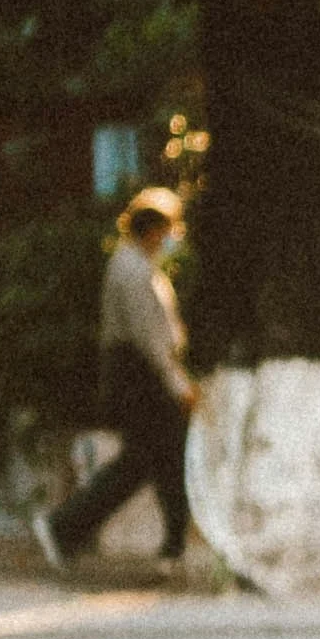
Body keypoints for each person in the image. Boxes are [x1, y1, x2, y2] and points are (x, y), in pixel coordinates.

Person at [39, 188, 198, 571]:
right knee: (154, 458)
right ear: (153, 229)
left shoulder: (133, 266)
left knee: (158, 459)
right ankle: (66, 527)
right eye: (167, 229)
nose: (170, 238)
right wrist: (178, 384)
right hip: (141, 378)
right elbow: (150, 338)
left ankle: (171, 545)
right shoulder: (134, 271)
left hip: (134, 375)